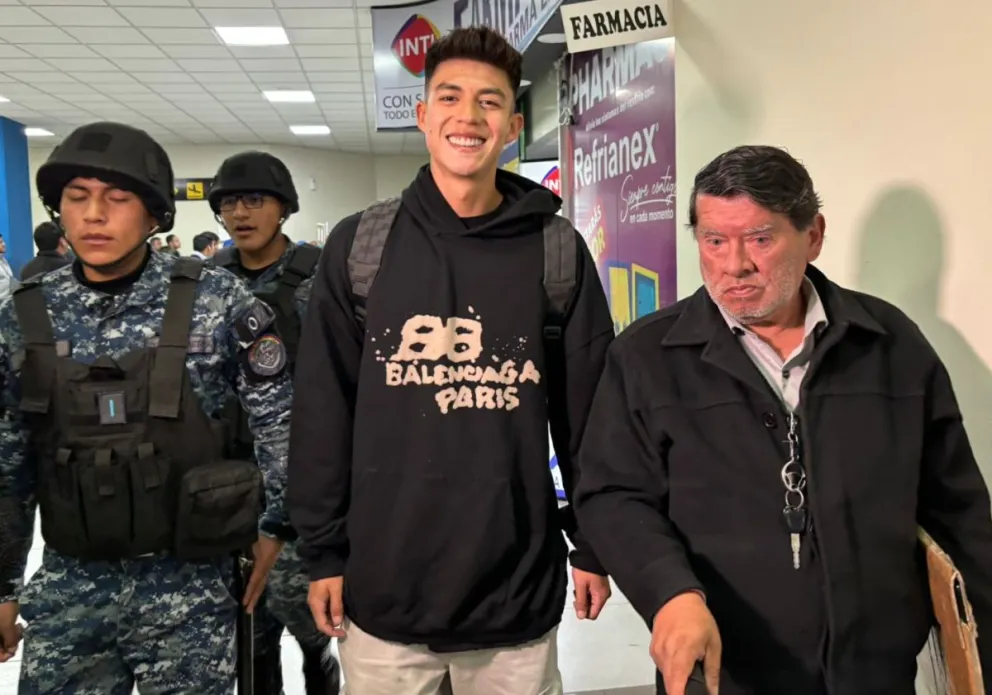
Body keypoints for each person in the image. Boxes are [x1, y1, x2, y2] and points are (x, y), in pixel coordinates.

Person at [573, 144, 992, 695]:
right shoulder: (647, 357)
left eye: (760, 239)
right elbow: (613, 495)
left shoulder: (890, 346)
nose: (734, 264)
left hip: (876, 674)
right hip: (725, 671)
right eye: (713, 240)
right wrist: (670, 594)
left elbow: (956, 510)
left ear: (813, 235)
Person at [287, 26, 614, 695]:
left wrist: (596, 542)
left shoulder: (555, 253)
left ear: (514, 125)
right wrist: (321, 551)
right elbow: (323, 412)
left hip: (514, 593)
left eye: (490, 102)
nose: (469, 117)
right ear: (423, 115)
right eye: (451, 97)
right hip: (384, 593)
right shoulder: (361, 247)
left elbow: (590, 418)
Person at [0, 121, 295, 693]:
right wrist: (5, 585)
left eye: (117, 198)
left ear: (155, 213)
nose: (93, 215)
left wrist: (274, 528)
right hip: (69, 587)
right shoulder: (23, 314)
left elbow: (280, 419)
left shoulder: (216, 300)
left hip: (189, 588)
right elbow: (8, 459)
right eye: (77, 198)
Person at [208, 150, 340, 695]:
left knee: (313, 630)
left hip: (306, 482)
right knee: (247, 631)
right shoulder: (207, 286)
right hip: (227, 483)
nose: (241, 213)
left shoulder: (319, 278)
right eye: (229, 203)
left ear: (283, 208)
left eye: (254, 200)